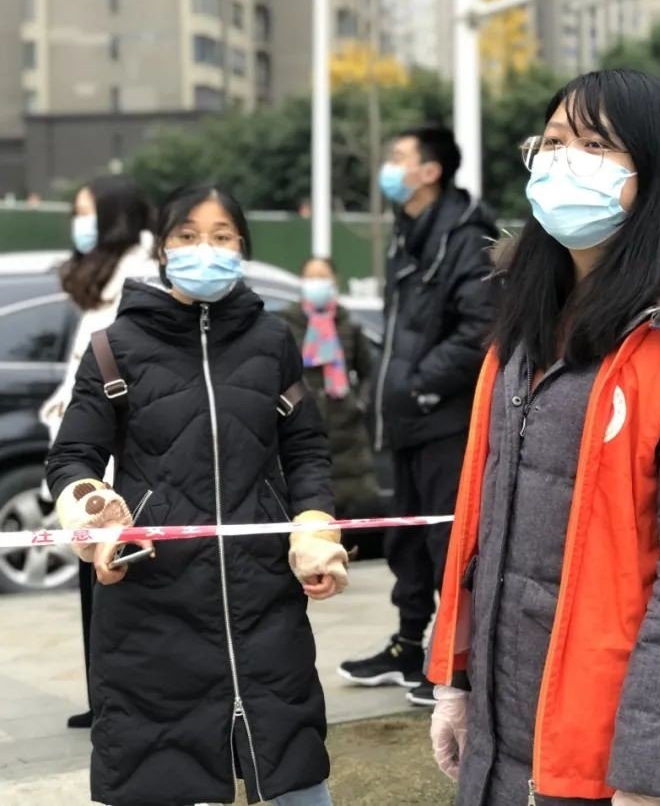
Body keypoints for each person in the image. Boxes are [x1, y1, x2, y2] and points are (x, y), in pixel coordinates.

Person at [425, 69, 660, 806]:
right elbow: (486, 524)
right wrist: (458, 681)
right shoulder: (528, 318)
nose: (564, 161)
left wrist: (646, 777)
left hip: (626, 752)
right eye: (553, 142)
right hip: (511, 728)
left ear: (655, 172)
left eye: (595, 145)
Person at [46, 185, 346, 806]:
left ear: (242, 247)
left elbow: (306, 450)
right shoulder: (111, 347)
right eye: (186, 235)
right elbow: (72, 458)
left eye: (221, 236)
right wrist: (97, 523)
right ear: (162, 248)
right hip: (152, 608)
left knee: (292, 771)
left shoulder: (273, 340)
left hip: (265, 602)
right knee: (163, 773)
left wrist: (314, 527)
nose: (203, 248)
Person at [338, 127, 496, 707]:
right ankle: (409, 644)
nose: (389, 167)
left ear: (431, 171)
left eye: (399, 157)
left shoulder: (465, 238)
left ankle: (453, 662)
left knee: (447, 542)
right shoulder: (408, 235)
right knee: (405, 540)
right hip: (406, 419)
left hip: (444, 419)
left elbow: (480, 329)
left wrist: (419, 383)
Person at [38, 174, 154, 730]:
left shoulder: (138, 277)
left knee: (116, 586)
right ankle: (104, 697)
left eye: (85, 212)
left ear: (113, 216)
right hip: (86, 459)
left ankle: (120, 701)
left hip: (116, 462)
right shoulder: (104, 280)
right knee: (95, 582)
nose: (78, 224)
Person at [280, 256, 380, 522]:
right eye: (311, 277)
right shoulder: (286, 323)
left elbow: (369, 371)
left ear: (335, 280)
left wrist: (359, 403)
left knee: (354, 510)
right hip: (302, 423)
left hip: (346, 431)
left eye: (322, 277)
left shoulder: (348, 323)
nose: (317, 283)